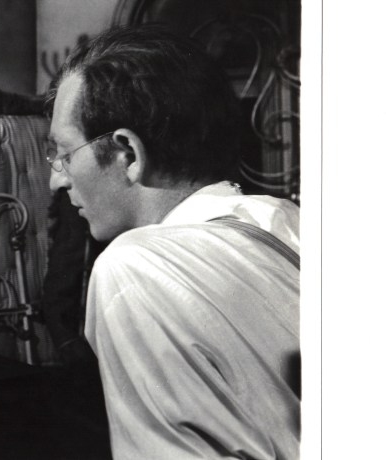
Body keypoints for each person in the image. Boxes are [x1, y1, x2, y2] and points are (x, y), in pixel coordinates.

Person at [45, 25, 300, 458]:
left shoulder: (135, 270)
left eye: (65, 154)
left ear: (128, 153)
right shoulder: (285, 218)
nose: (57, 181)